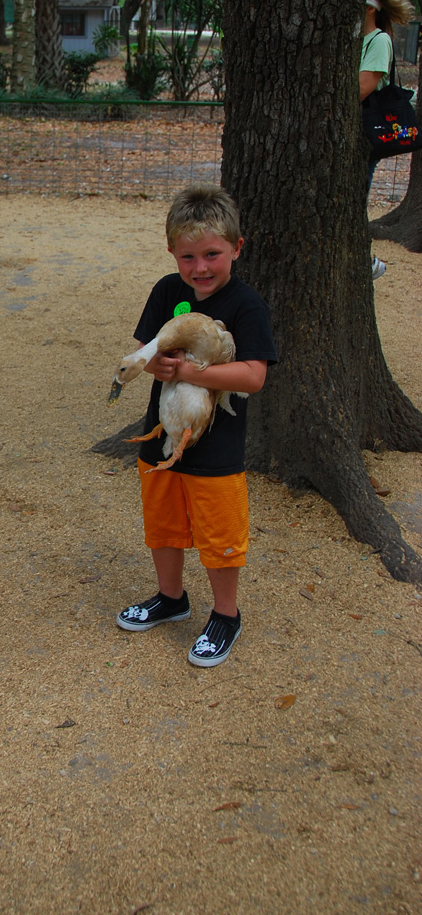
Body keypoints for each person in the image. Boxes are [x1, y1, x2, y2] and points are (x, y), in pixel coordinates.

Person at [115, 184, 278, 668]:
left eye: (212, 254)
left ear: (236, 249)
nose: (200, 268)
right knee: (163, 525)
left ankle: (225, 615)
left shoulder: (246, 305)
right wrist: (161, 366)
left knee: (219, 533)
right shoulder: (167, 291)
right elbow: (152, 353)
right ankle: (171, 598)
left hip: (217, 451)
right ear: (172, 253)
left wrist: (188, 371)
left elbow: (253, 376)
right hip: (163, 438)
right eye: (188, 256)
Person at [360, 0, 414, 279]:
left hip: (367, 129)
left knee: (355, 195)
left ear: (370, 9)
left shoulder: (379, 40)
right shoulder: (359, 39)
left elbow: (365, 86)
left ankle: (366, 262)